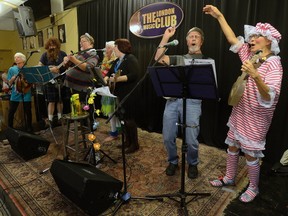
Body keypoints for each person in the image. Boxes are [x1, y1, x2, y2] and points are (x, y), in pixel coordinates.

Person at [203, 5, 283, 202]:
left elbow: (272, 94)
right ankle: (230, 178)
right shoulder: (251, 55)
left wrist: (255, 75)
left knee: (250, 154)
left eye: (257, 37)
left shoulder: (274, 63)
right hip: (241, 111)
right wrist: (220, 16)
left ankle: (253, 188)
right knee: (232, 146)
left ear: (269, 41)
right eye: (251, 36)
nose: (251, 39)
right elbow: (232, 39)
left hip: (256, 117)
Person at [155, 26, 206, 179]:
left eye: (197, 36)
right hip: (173, 100)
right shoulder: (179, 58)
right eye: (191, 36)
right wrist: (166, 37)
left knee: (191, 139)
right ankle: (172, 161)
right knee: (168, 136)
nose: (194, 39)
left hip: (192, 102)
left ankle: (193, 163)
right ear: (187, 41)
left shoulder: (207, 61)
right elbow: (158, 58)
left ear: (201, 42)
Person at [105, 39, 140, 153]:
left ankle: (134, 144)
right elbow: (110, 73)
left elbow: (135, 75)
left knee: (129, 119)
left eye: (115, 46)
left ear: (121, 47)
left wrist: (118, 79)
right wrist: (106, 78)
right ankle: (127, 141)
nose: (113, 48)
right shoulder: (117, 61)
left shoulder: (130, 59)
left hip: (129, 93)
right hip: (118, 94)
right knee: (122, 119)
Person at [63, 33, 99, 130]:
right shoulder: (80, 54)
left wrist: (73, 59)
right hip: (74, 85)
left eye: (84, 41)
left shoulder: (93, 54)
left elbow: (87, 68)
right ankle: (83, 125)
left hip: (84, 86)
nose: (81, 43)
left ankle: (90, 127)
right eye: (80, 41)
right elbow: (69, 65)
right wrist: (66, 60)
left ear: (91, 43)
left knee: (86, 107)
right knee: (78, 107)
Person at [39, 37, 67, 127]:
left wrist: (60, 69)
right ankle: (50, 120)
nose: (52, 47)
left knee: (60, 100)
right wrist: (51, 69)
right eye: (50, 45)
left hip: (61, 79)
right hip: (50, 81)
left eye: (53, 45)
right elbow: (40, 67)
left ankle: (60, 118)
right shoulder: (44, 55)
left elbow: (66, 66)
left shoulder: (62, 54)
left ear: (57, 45)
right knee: (51, 101)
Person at [7, 52, 33, 133]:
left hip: (26, 92)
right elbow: (9, 83)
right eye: (15, 57)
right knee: (11, 111)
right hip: (15, 93)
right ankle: (10, 129)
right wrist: (12, 78)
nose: (16, 58)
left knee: (28, 111)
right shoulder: (12, 69)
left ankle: (29, 129)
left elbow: (31, 82)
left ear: (23, 59)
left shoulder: (27, 69)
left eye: (18, 57)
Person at [100, 41, 121, 142]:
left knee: (112, 111)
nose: (105, 50)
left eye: (107, 48)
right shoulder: (105, 60)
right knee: (111, 111)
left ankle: (114, 132)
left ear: (113, 49)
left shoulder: (116, 61)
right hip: (107, 87)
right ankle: (117, 130)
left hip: (114, 89)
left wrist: (105, 76)